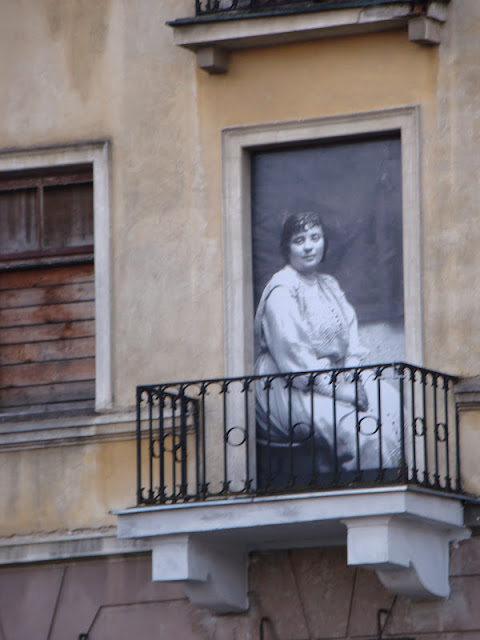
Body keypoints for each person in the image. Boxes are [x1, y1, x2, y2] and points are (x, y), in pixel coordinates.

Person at [254, 212, 400, 481]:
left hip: (335, 375)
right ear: (287, 248)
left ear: (324, 242)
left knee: (389, 400)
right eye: (299, 241)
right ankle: (373, 492)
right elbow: (293, 356)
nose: (309, 247)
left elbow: (350, 335)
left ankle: (400, 485)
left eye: (315, 238)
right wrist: (340, 391)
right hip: (290, 384)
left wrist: (352, 374)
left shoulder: (329, 285)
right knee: (363, 430)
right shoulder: (282, 290)